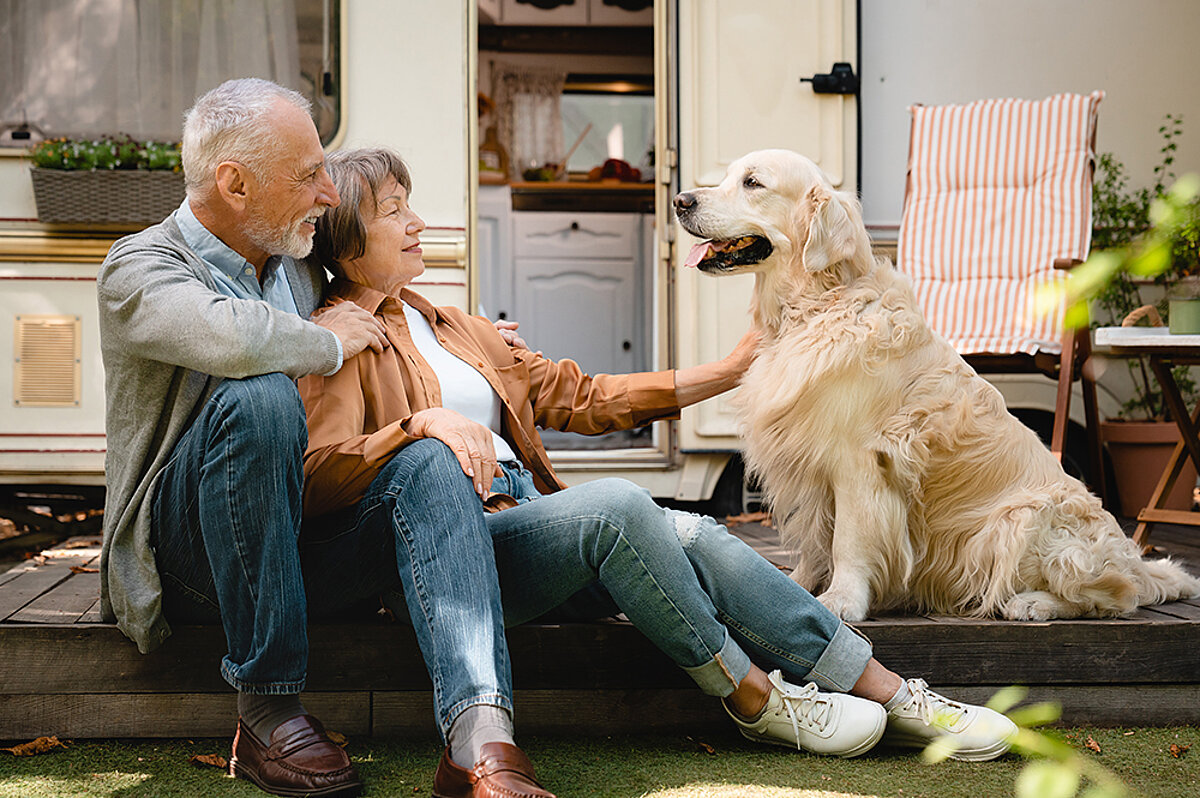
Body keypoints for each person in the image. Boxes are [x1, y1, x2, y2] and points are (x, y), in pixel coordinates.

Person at [297, 147, 1020, 798]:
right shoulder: (339, 336)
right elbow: (319, 475)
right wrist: (419, 424)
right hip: (454, 549)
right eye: (394, 211)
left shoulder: (455, 325)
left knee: (699, 539)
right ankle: (757, 701)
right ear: (346, 239)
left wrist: (726, 371)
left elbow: (581, 397)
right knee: (618, 506)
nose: (419, 221)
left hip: (526, 522)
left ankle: (894, 694)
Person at [97, 79, 406, 798]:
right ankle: (267, 709)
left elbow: (375, 268)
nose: (327, 193)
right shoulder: (138, 267)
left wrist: (463, 340)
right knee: (262, 393)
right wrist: (321, 342)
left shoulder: (297, 260)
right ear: (234, 183)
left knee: (420, 454)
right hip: (182, 561)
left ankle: (480, 724)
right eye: (308, 176)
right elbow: (232, 339)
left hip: (287, 535)